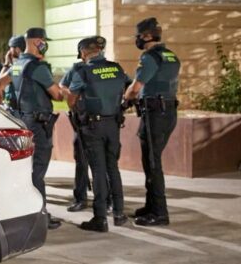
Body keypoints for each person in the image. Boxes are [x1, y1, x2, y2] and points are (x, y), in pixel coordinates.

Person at [67, 37, 131, 232]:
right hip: (113, 124)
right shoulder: (116, 68)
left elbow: (71, 98)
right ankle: (119, 213)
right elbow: (130, 88)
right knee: (113, 168)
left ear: (84, 53)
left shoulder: (83, 71)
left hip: (93, 126)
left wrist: (78, 107)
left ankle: (100, 218)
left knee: (98, 170)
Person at [124, 17, 181, 226]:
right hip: (169, 112)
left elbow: (136, 87)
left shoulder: (149, 57)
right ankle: (150, 206)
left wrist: (125, 99)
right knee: (152, 160)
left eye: (138, 36)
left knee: (153, 164)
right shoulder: (171, 55)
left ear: (147, 36)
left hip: (155, 114)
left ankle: (160, 213)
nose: (137, 40)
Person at [10, 27, 65, 230]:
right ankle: (39, 216)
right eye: (43, 40)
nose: (45, 44)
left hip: (23, 121)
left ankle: (23, 213)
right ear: (36, 42)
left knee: (26, 170)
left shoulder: (17, 65)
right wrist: (64, 88)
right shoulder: (37, 67)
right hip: (38, 124)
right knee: (37, 171)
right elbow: (58, 95)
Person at [59, 36, 106, 213]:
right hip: (86, 119)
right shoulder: (78, 68)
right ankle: (84, 197)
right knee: (84, 158)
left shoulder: (102, 67)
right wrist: (71, 93)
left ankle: (96, 199)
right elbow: (63, 85)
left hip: (94, 119)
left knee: (93, 160)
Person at [0, 35, 25, 108]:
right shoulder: (24, 63)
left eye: (11, 48)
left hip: (14, 107)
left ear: (17, 49)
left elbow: (0, 81)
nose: (9, 51)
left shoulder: (18, 66)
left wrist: (6, 63)